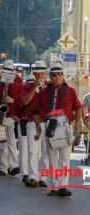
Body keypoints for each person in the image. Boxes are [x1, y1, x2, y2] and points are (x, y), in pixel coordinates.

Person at [33, 62, 82, 197]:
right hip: (50, 127)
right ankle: (54, 186)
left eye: (60, 74)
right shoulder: (43, 92)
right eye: (54, 74)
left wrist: (77, 123)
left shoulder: (71, 91)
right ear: (50, 76)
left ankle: (63, 186)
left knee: (65, 158)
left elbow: (78, 107)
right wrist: (38, 125)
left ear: (63, 76)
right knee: (52, 158)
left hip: (66, 126)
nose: (57, 77)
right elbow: (36, 110)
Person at [0, 60, 22, 176]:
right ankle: (3, 167)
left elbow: (22, 101)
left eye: (10, 72)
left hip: (12, 117)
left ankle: (13, 166)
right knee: (2, 144)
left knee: (12, 143)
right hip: (0, 117)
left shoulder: (18, 85)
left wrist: (13, 100)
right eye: (5, 72)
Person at [21, 61, 49, 188]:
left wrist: (43, 89)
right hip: (32, 122)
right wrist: (34, 88)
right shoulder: (27, 86)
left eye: (42, 73)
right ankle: (33, 177)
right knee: (32, 150)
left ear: (45, 73)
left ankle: (42, 177)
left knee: (45, 151)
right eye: (38, 73)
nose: (40, 75)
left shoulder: (49, 86)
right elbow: (25, 102)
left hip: (46, 122)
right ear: (34, 74)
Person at [9, 75, 35, 183]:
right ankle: (26, 173)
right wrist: (21, 122)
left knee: (29, 150)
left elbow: (12, 114)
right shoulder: (20, 97)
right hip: (25, 123)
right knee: (26, 149)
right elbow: (12, 113)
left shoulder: (21, 97)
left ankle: (29, 173)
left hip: (31, 124)